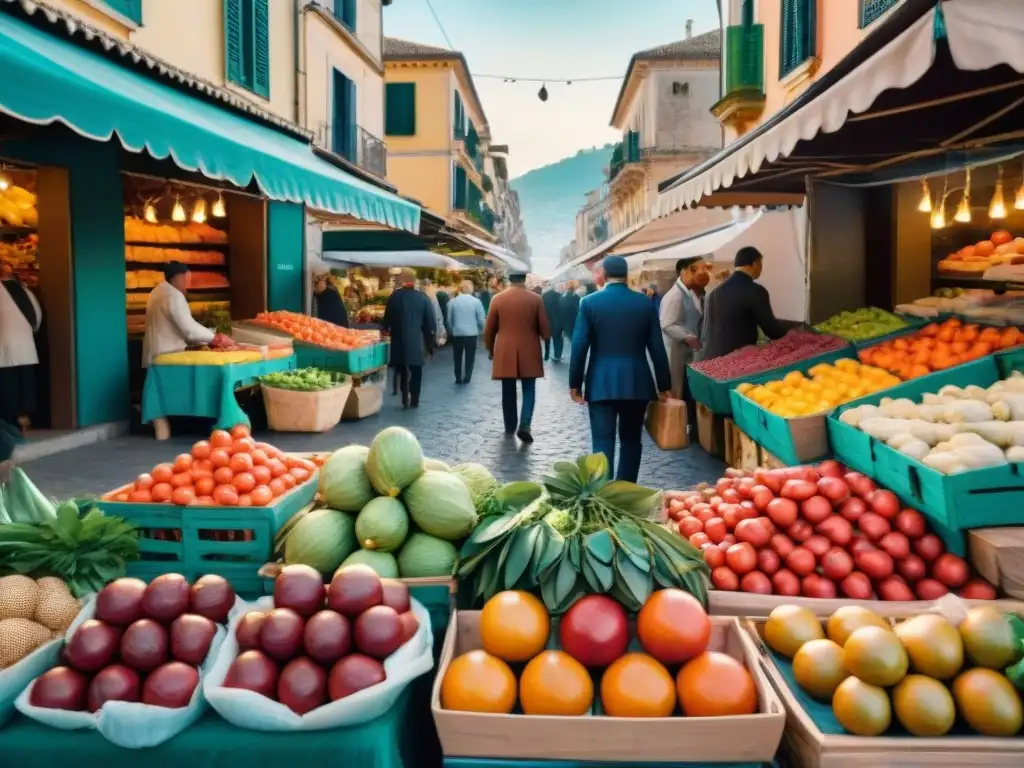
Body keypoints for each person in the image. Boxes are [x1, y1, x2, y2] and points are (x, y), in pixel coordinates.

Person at [569, 256, 671, 484]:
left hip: (600, 382)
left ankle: (603, 493)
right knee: (632, 440)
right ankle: (626, 491)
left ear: (604, 274)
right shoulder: (644, 303)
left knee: (602, 441)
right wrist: (664, 385)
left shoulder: (589, 303)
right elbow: (657, 347)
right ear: (627, 275)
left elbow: (579, 346)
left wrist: (574, 383)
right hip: (637, 382)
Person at [143, 262, 216, 440]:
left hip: (156, 352)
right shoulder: (173, 296)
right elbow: (189, 329)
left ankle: (162, 427)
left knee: (159, 395)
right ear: (178, 277)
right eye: (187, 280)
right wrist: (214, 337)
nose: (187, 285)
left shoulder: (157, 292)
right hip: (168, 354)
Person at [698, 246, 799, 362]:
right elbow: (772, 330)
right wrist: (795, 330)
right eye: (761, 264)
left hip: (711, 359)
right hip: (736, 361)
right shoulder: (755, 290)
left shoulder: (714, 292)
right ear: (755, 263)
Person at [484, 271, 550, 443]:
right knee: (529, 389)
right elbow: (545, 328)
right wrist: (548, 345)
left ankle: (510, 425)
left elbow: (489, 329)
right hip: (530, 349)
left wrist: (490, 349)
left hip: (505, 350)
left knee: (508, 389)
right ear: (524, 280)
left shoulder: (497, 299)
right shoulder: (536, 299)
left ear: (509, 280)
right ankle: (525, 424)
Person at [659, 257, 705, 422]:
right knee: (678, 390)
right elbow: (666, 323)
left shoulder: (691, 292)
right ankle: (676, 428)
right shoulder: (674, 296)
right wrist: (687, 337)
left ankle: (688, 424)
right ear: (683, 272)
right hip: (677, 352)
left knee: (687, 391)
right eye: (695, 270)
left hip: (689, 353)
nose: (700, 273)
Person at [383, 270, 436, 408]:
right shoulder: (423, 298)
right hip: (416, 341)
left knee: (400, 368)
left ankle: (403, 391)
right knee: (417, 370)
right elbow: (429, 323)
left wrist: (386, 331)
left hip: (398, 340)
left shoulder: (394, 297)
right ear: (415, 281)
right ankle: (415, 398)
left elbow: (386, 319)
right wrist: (430, 343)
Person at [0, 263, 43, 435]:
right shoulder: (25, 290)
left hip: (4, 350)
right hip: (26, 348)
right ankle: (24, 420)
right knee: (25, 387)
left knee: (7, 389)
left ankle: (9, 425)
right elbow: (37, 317)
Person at [447, 280, 485, 384]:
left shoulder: (452, 302)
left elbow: (449, 320)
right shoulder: (476, 302)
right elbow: (481, 320)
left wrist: (451, 330)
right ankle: (467, 377)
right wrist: (482, 329)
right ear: (471, 288)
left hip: (457, 333)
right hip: (471, 333)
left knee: (457, 357)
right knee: (470, 357)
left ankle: (458, 377)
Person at [541, 283, 564, 362]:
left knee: (547, 339)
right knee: (558, 339)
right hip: (558, 321)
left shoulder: (544, 296)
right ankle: (557, 355)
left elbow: (542, 309)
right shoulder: (559, 295)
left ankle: (546, 354)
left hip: (547, 320)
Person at [559, 282, 581, 348]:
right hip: (574, 318)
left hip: (566, 319)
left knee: (570, 333)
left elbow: (561, 307)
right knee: (574, 333)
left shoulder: (562, 298)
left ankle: (573, 341)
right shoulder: (577, 297)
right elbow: (579, 308)